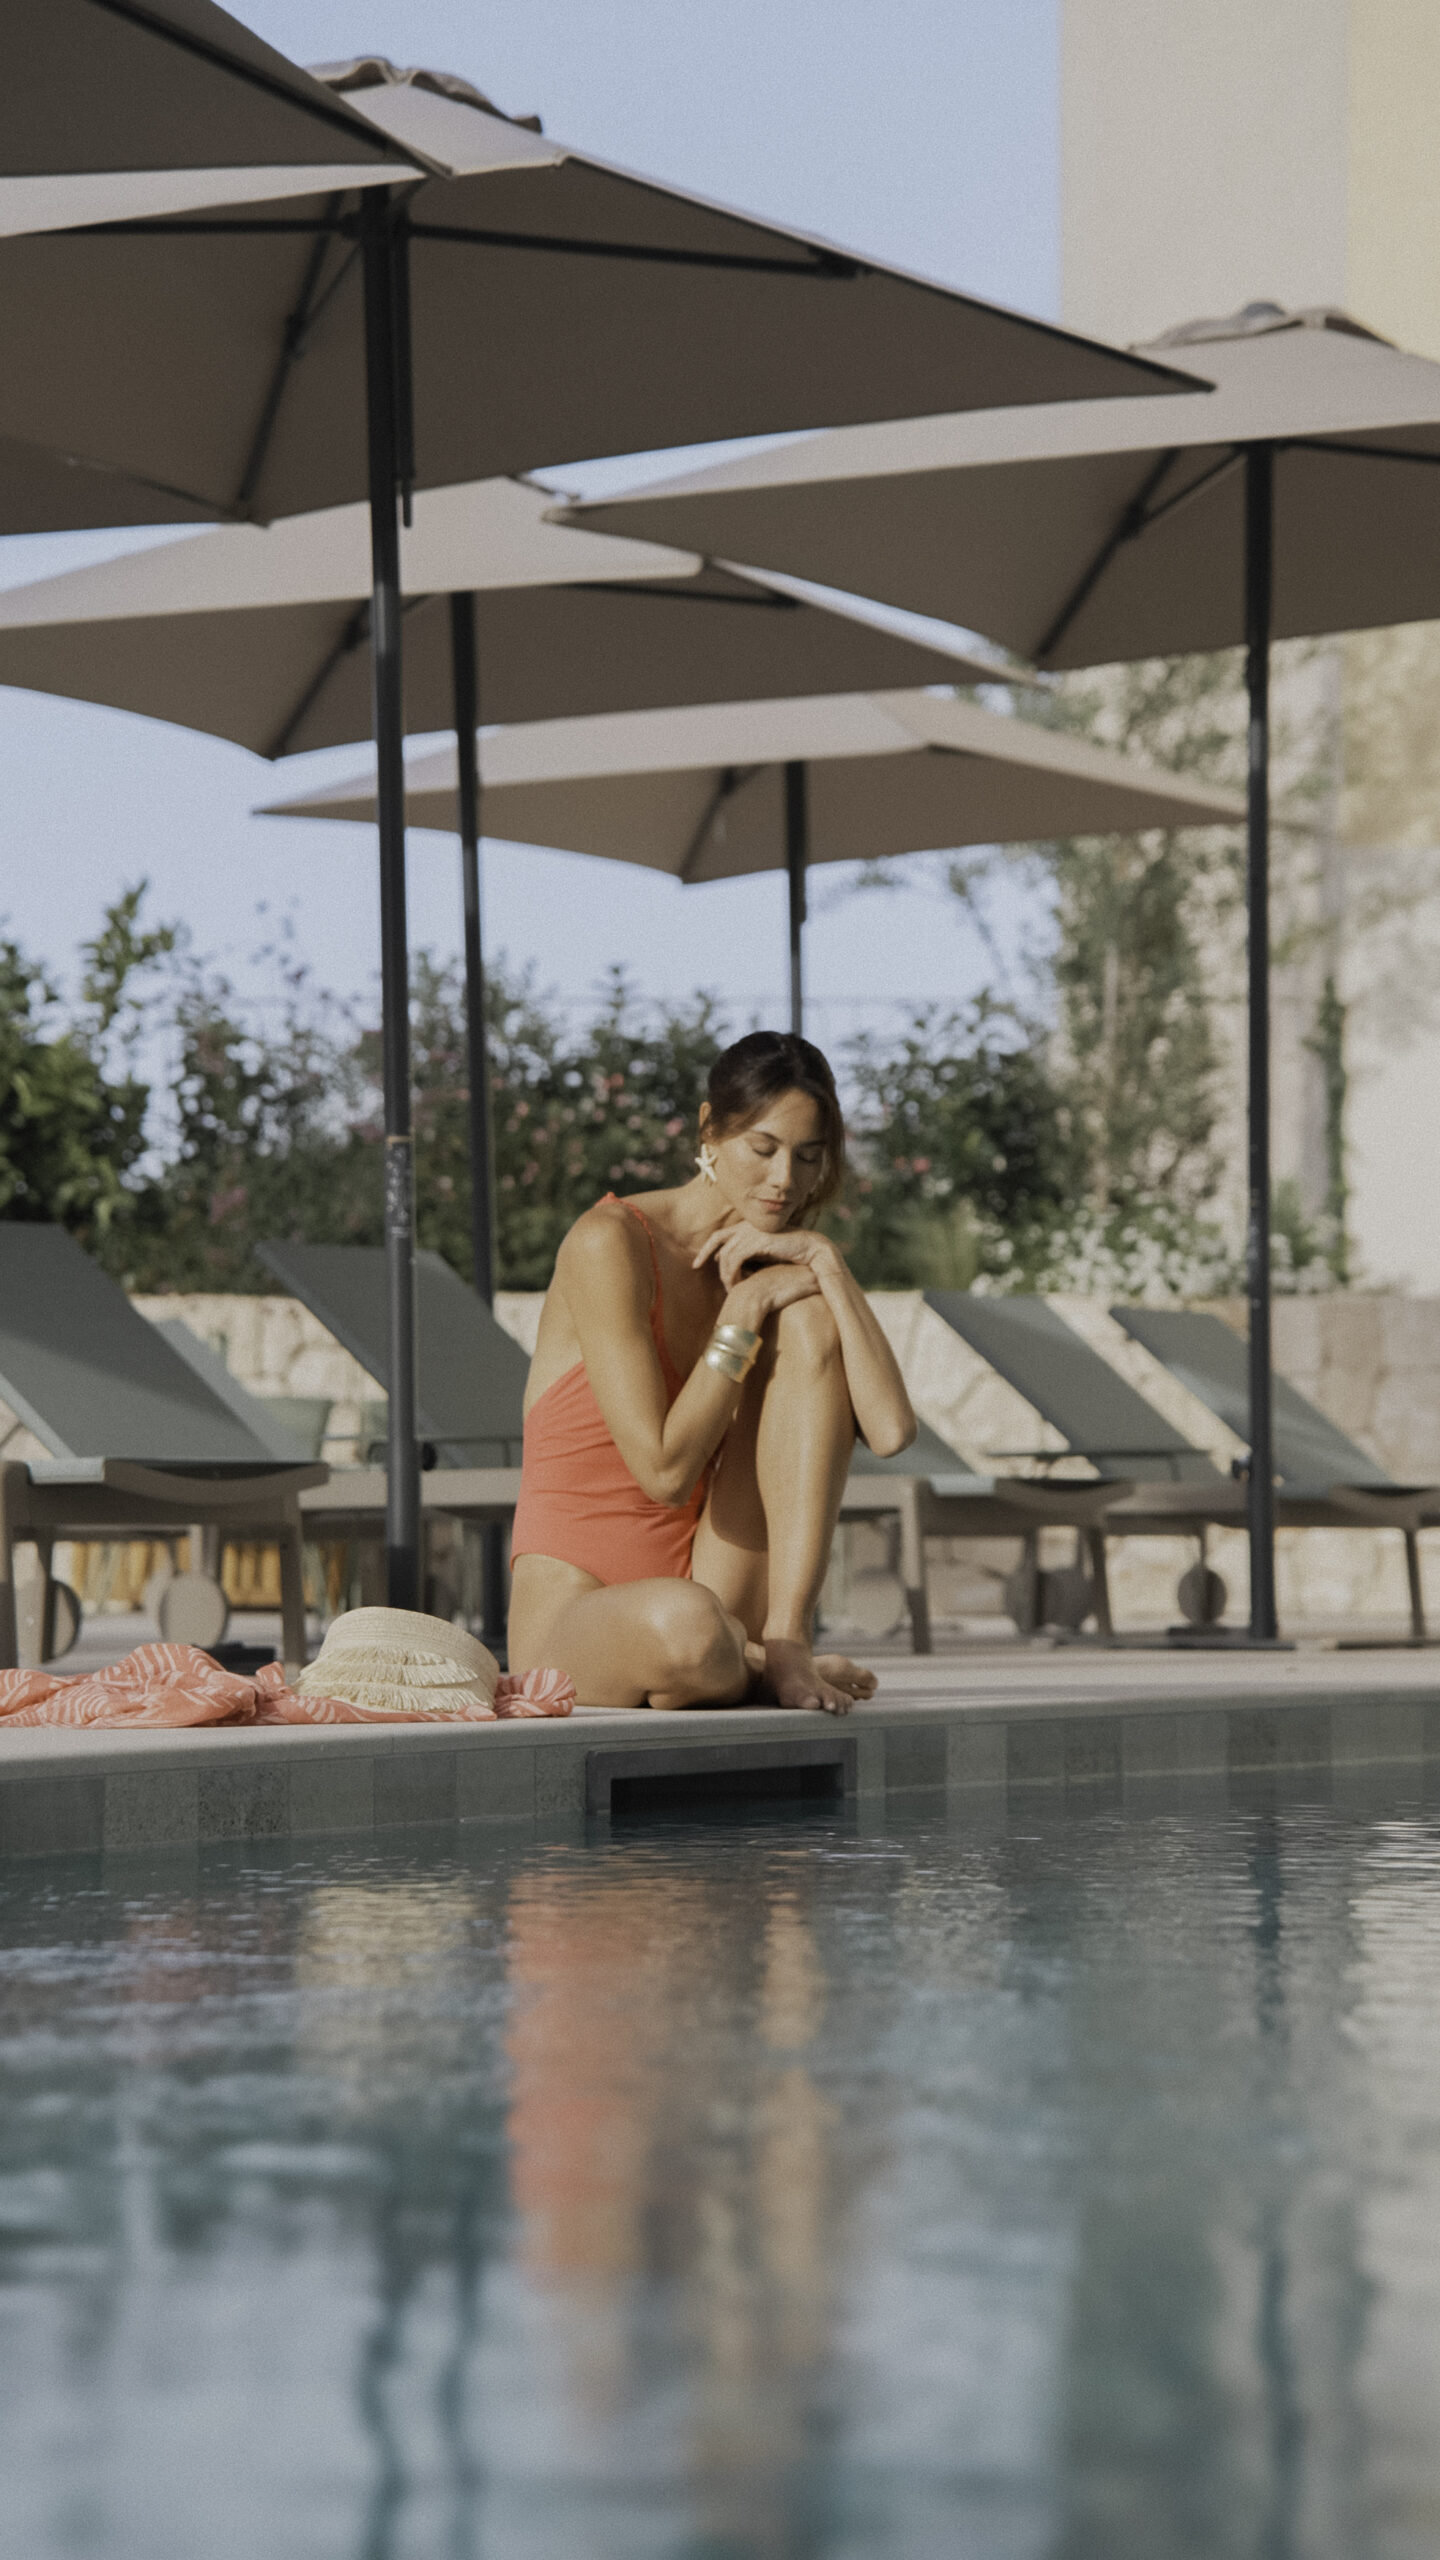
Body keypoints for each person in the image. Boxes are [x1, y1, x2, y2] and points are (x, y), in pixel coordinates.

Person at [507, 1029, 917, 1713]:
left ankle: (784, 1644)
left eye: (808, 1157)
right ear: (709, 1129)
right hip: (583, 1614)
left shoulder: (772, 1261)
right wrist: (743, 1311)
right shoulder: (610, 1242)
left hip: (714, 1580)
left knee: (810, 1319)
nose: (785, 1180)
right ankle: (743, 1660)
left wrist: (825, 1261)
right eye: (763, 1148)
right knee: (691, 1629)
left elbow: (892, 1431)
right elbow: (665, 1473)